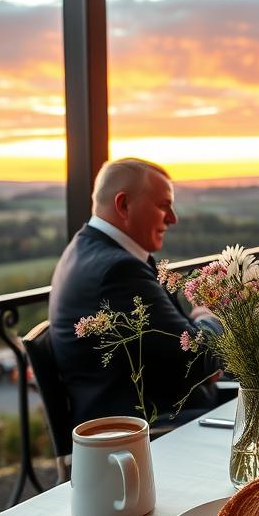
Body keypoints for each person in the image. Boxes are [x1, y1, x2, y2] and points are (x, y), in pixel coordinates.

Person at [49, 158, 222, 427]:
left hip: (162, 412)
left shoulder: (90, 250)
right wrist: (207, 314)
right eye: (163, 205)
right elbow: (196, 358)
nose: (173, 218)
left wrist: (202, 362)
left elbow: (180, 353)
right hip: (143, 433)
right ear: (124, 205)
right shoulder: (118, 270)